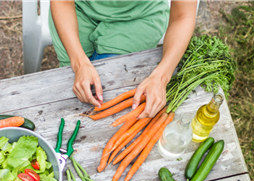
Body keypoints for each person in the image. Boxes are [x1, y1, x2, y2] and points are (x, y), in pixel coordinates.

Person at [49, 0, 197, 117]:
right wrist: (80, 64)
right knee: (73, 86)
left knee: (108, 90)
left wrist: (161, 78)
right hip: (79, 8)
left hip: (139, 15)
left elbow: (183, 16)